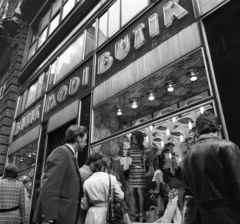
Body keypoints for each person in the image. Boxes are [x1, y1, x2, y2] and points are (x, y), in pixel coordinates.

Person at [182, 111, 240, 224]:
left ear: (197, 131)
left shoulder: (188, 156)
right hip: (228, 215)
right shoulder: (228, 147)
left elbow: (188, 191)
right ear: (219, 127)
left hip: (201, 217)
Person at [33, 125, 88, 224]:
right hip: (58, 218)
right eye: (85, 139)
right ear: (79, 138)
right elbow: (50, 187)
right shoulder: (61, 152)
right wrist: (48, 218)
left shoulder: (70, 155)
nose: (86, 143)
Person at [81, 159, 124, 224]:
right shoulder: (111, 178)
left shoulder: (87, 181)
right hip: (107, 212)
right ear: (103, 168)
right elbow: (120, 197)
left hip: (91, 213)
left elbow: (85, 206)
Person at [127, 131, 146, 221]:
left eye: (135, 138)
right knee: (131, 192)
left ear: (139, 139)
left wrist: (145, 159)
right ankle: (134, 212)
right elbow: (126, 160)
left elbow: (147, 161)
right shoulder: (129, 150)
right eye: (132, 138)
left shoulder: (143, 149)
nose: (133, 139)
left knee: (140, 192)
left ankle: (141, 212)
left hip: (140, 171)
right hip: (132, 171)